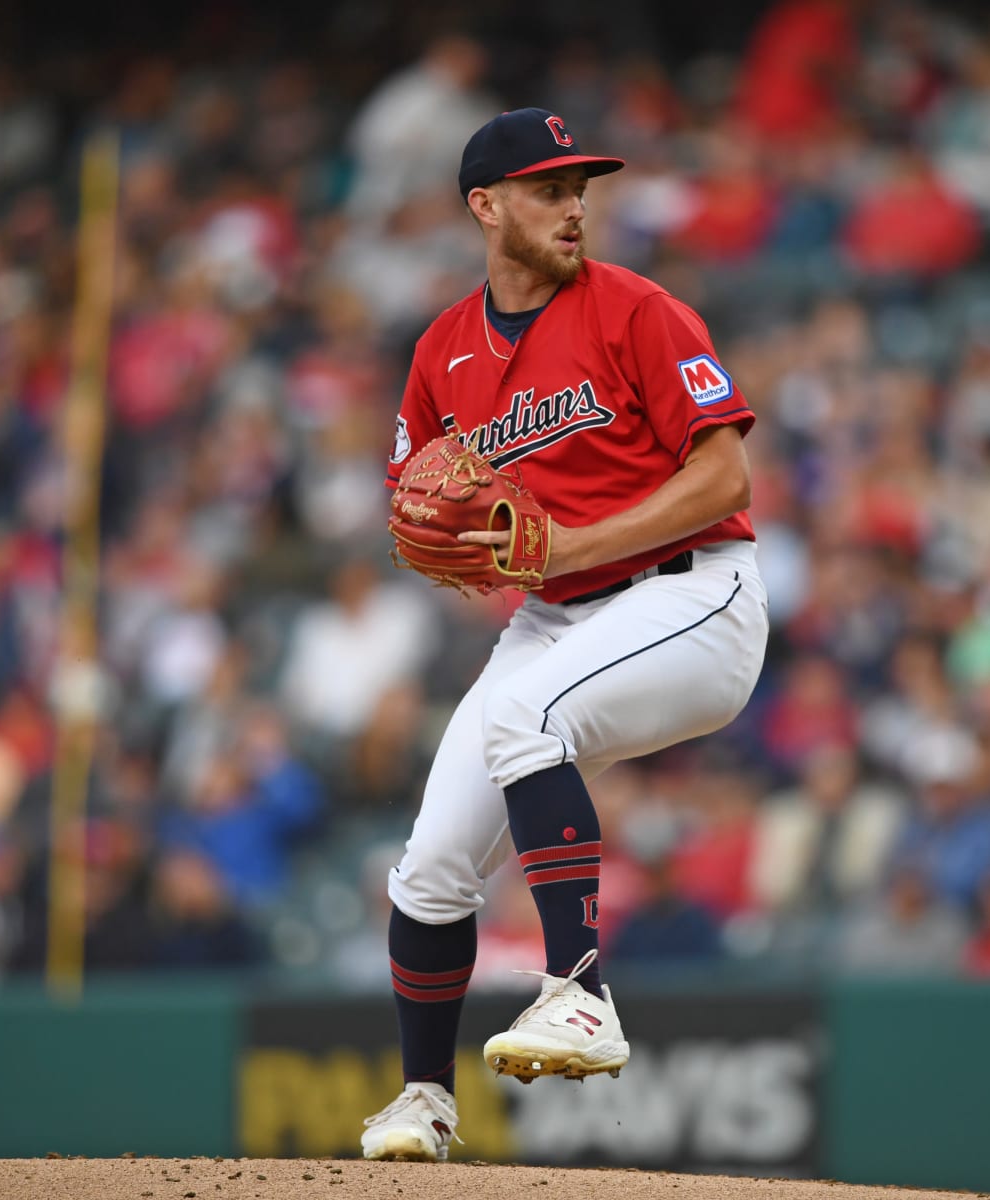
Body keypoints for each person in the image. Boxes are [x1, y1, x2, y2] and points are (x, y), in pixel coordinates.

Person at [359, 108, 769, 1162]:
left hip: (696, 597)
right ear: (485, 207)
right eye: (548, 189)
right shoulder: (442, 350)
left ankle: (580, 995)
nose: (574, 205)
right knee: (432, 865)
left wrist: (571, 544)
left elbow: (725, 475)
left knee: (525, 711)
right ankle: (424, 1100)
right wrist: (433, 532)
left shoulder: (639, 311)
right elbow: (414, 497)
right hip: (557, 615)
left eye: (580, 187)